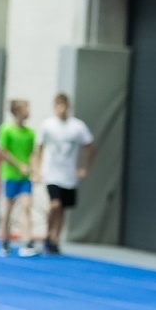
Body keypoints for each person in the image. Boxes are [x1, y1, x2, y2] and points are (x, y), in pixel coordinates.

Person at [34, 92, 95, 256]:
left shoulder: (78, 127)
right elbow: (38, 148)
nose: (61, 109)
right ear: (55, 107)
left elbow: (90, 146)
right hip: (51, 173)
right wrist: (37, 169)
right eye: (58, 106)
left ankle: (55, 239)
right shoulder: (48, 125)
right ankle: (47, 234)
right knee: (55, 204)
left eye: (64, 106)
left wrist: (84, 167)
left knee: (63, 209)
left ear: (68, 107)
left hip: (68, 175)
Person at [0, 98, 37, 258]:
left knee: (27, 206)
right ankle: (5, 241)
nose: (28, 111)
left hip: (25, 178)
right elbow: (3, 152)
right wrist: (19, 165)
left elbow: (33, 153)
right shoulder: (6, 130)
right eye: (25, 108)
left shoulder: (30, 133)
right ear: (17, 111)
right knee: (8, 209)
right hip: (10, 176)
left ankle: (26, 242)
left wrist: (34, 170)